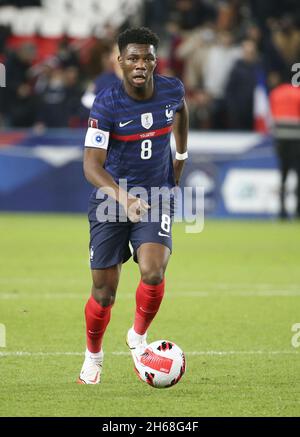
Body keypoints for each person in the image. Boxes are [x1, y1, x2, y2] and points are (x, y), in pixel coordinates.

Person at [78, 27, 189, 384]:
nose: (141, 64)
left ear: (156, 61)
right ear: (120, 62)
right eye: (133, 58)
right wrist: (123, 197)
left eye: (147, 58)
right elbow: (91, 165)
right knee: (104, 293)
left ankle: (138, 337)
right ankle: (93, 357)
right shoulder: (106, 103)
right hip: (111, 199)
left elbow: (181, 111)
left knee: (154, 271)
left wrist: (181, 155)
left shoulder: (172, 89)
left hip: (155, 194)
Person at [269, 79, 300, 219]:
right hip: (297, 142)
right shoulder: (297, 94)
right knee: (298, 175)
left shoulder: (275, 94)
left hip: (281, 141)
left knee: (283, 176)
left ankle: (282, 210)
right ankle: (298, 209)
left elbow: (271, 117)